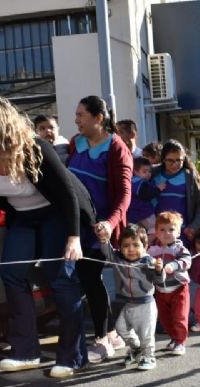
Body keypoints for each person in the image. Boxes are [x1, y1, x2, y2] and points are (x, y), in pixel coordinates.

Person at [0, 91, 94, 377]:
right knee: (12, 274)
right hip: (23, 218)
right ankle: (25, 352)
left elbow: (67, 193)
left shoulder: (36, 149)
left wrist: (73, 237)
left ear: (0, 126)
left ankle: (73, 356)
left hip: (55, 214)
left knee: (59, 277)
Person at [66, 95, 133, 363]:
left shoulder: (117, 148)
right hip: (75, 224)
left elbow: (125, 195)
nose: (76, 120)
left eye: (81, 115)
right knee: (83, 279)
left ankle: (103, 338)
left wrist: (110, 223)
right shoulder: (75, 142)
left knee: (90, 277)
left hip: (99, 229)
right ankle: (109, 332)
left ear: (98, 118)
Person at [99, 224, 165, 371]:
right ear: (120, 247)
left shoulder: (148, 262)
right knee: (120, 328)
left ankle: (149, 356)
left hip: (146, 305)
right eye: (126, 245)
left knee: (146, 335)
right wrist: (104, 240)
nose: (131, 249)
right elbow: (108, 252)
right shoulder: (118, 259)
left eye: (136, 245)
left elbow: (159, 281)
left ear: (145, 247)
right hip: (128, 304)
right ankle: (136, 349)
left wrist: (159, 270)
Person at [148, 211, 192, 356]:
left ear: (178, 232)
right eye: (162, 229)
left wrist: (173, 266)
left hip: (178, 288)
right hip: (161, 290)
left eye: (171, 229)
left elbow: (187, 260)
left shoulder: (179, 248)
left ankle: (180, 341)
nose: (167, 233)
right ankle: (174, 338)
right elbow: (145, 262)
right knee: (165, 318)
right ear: (156, 232)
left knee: (179, 316)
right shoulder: (152, 250)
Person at [151, 140, 200, 244]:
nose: (175, 164)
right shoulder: (152, 174)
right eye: (170, 160)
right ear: (163, 159)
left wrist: (193, 227)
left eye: (179, 160)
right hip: (156, 235)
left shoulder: (190, 177)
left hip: (182, 234)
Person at [128, 156, 165, 244]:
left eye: (149, 171)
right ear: (135, 171)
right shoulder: (139, 182)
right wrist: (158, 189)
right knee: (155, 230)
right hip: (145, 213)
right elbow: (146, 195)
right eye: (144, 171)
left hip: (133, 214)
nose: (148, 174)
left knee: (134, 232)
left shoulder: (132, 181)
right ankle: (144, 245)